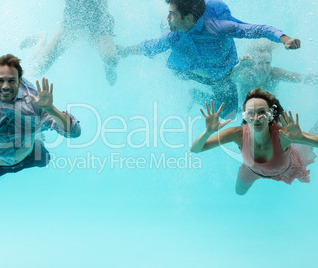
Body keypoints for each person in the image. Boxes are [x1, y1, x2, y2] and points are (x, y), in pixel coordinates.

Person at [118, 0, 301, 119]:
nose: (169, 18)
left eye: (172, 14)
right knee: (166, 38)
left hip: (220, 75)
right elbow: (150, 46)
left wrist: (284, 39)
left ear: (189, 18)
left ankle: (196, 95)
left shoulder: (219, 27)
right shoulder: (171, 36)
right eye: (169, 13)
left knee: (229, 115)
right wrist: (124, 51)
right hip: (189, 72)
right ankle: (161, 14)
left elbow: (257, 29)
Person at [0, 54, 81, 195]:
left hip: (30, 155)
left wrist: (50, 109)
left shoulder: (34, 103)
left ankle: (37, 133)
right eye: (0, 80)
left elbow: (75, 132)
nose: (5, 86)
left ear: (19, 81)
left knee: (45, 159)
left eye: (11, 81)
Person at [190, 89, 317, 195]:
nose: (256, 118)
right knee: (239, 192)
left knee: (309, 141)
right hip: (252, 170)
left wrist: (301, 138)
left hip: (288, 168)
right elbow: (195, 149)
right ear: (244, 114)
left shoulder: (283, 135)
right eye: (250, 113)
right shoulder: (236, 134)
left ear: (271, 113)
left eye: (262, 112)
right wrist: (208, 131)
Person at [20, 0, 119, 86]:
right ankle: (41, 37)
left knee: (112, 61)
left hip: (97, 28)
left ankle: (107, 66)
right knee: (36, 68)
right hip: (71, 27)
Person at [231, 38, 318, 101]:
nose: (264, 68)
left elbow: (301, 78)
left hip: (269, 112)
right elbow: (232, 77)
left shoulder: (275, 73)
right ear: (253, 63)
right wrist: (241, 66)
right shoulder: (247, 74)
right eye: (260, 63)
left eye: (267, 63)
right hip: (245, 112)